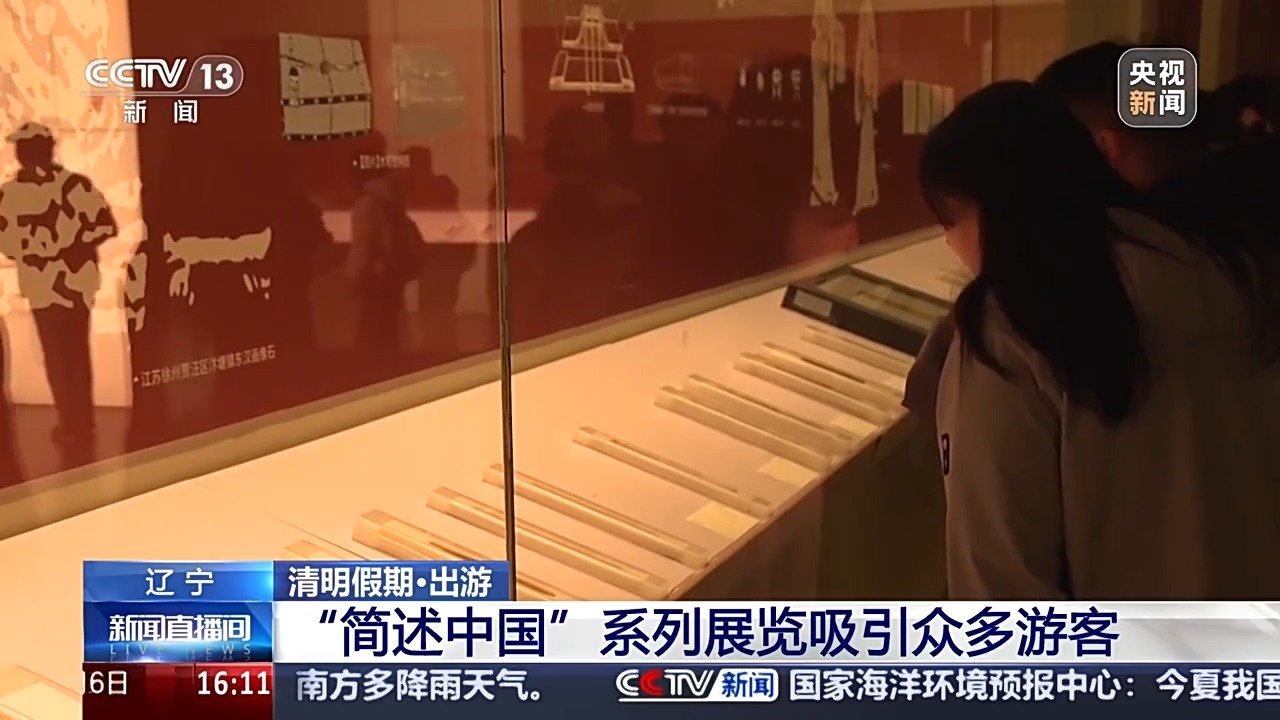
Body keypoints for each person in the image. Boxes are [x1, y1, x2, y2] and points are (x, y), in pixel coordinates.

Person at [920, 80, 1280, 599]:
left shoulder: (1013, 324)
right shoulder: (1224, 266)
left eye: (949, 221)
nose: (950, 244)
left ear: (989, 207)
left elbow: (1000, 582)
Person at [0, 121, 115, 470]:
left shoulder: (64, 187)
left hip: (62, 285)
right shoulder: (60, 186)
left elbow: (104, 225)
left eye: (26, 147)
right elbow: (104, 225)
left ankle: (74, 424)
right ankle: (76, 424)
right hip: (58, 285)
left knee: (66, 358)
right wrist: (55, 246)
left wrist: (58, 247)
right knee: (69, 357)